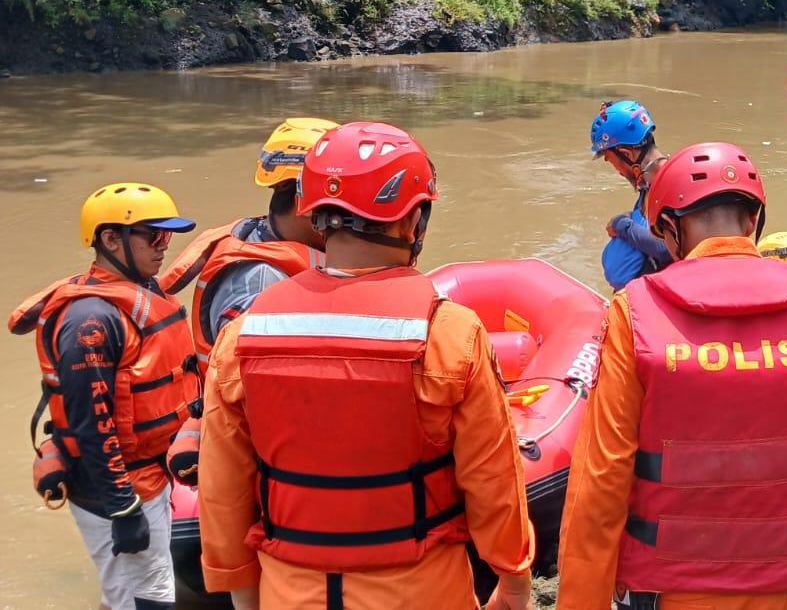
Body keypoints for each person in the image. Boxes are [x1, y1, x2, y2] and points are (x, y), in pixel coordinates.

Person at [198, 122, 535, 610]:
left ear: (316, 219)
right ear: (413, 221)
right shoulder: (450, 333)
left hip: (290, 592)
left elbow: (222, 492)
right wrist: (514, 578)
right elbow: (493, 481)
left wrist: (247, 596)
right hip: (420, 591)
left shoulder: (242, 337)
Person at [557, 143, 787, 609]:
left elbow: (600, 483)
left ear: (671, 231)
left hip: (671, 593)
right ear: (753, 220)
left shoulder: (633, 315)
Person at [9, 183, 198, 610]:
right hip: (118, 486)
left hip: (146, 477)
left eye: (167, 237)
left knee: (138, 590)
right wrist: (122, 509)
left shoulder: (139, 294)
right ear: (110, 240)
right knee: (143, 596)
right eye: (154, 236)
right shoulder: (90, 321)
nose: (163, 246)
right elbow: (90, 423)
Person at [157, 117, 336, 485]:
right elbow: (263, 396)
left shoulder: (276, 242)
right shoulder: (259, 282)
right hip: (262, 458)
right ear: (306, 203)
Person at [593, 100, 673, 290]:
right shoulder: (648, 183)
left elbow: (667, 248)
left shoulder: (671, 184)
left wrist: (621, 224)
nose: (616, 170)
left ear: (626, 154)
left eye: (610, 160)